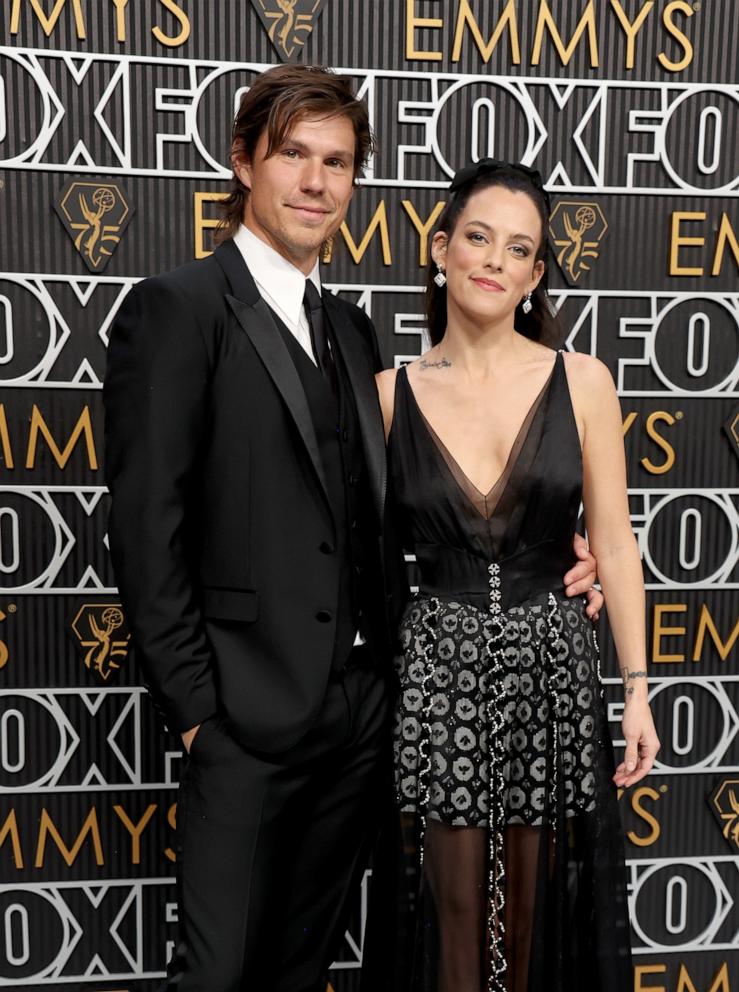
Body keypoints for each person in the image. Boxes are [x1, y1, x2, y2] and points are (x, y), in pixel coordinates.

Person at [104, 63, 602, 992]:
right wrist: (198, 716)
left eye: (336, 162)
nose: (314, 181)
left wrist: (558, 555)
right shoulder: (177, 309)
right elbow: (143, 528)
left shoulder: (355, 333)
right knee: (215, 978)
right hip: (242, 720)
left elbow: (409, 510)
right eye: (293, 154)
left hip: (367, 715)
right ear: (242, 161)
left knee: (302, 971)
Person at [375, 160, 660, 992]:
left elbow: (612, 539)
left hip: (553, 671)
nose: (493, 260)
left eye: (518, 249)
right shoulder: (388, 395)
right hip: (437, 680)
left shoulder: (582, 382)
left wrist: (636, 689)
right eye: (477, 237)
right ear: (441, 247)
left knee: (534, 920)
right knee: (455, 930)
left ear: (536, 275)